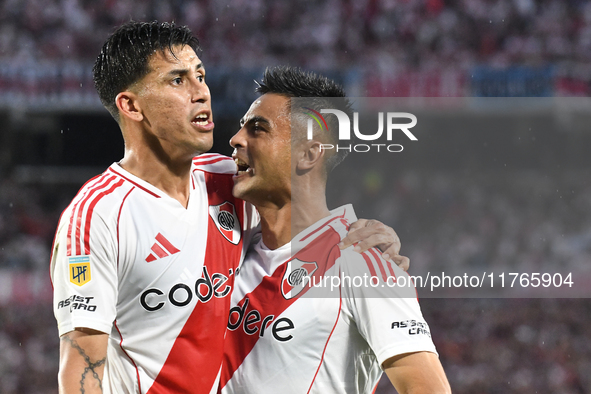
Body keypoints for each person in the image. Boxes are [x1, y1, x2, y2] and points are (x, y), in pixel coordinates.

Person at [50, 21, 407, 394]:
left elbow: (303, 217)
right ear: (131, 105)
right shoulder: (98, 216)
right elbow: (82, 366)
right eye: (177, 80)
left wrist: (370, 238)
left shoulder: (230, 182)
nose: (201, 92)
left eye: (200, 76)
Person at [219, 66, 451, 393]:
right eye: (242, 127)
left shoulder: (362, 264)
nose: (236, 138)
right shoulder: (225, 250)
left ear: (309, 153)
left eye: (258, 129)